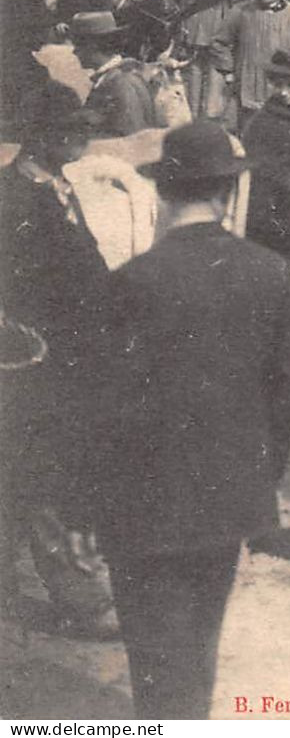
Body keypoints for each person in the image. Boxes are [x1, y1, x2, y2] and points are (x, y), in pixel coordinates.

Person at [92, 122, 290, 718]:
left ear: (164, 193)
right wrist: (261, 485)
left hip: (145, 505)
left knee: (153, 659)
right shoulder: (269, 272)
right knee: (200, 646)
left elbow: (106, 407)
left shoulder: (132, 281)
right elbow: (285, 400)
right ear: (227, 194)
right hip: (229, 499)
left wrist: (92, 500)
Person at [0, 85, 117, 638]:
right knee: (41, 474)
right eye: (74, 128)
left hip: (69, 356)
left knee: (28, 476)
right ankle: (81, 600)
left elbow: (84, 270)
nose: (85, 136)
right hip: (31, 363)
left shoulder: (56, 186)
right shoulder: (11, 199)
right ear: (42, 135)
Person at [214, 0, 290, 128]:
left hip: (281, 89)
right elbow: (219, 43)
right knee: (248, 131)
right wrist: (228, 71)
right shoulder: (241, 11)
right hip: (248, 86)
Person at [238, 52, 290, 260]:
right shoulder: (261, 121)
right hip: (275, 201)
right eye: (278, 85)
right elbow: (267, 166)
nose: (284, 92)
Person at [161, 0, 239, 122]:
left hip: (189, 28)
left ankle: (192, 115)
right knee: (214, 71)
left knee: (192, 71)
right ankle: (210, 116)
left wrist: (175, 10)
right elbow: (235, 2)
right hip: (218, 29)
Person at [72, 12, 159, 137]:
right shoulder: (125, 75)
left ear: (93, 45)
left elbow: (130, 139)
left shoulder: (119, 83)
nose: (74, 52)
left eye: (78, 46)